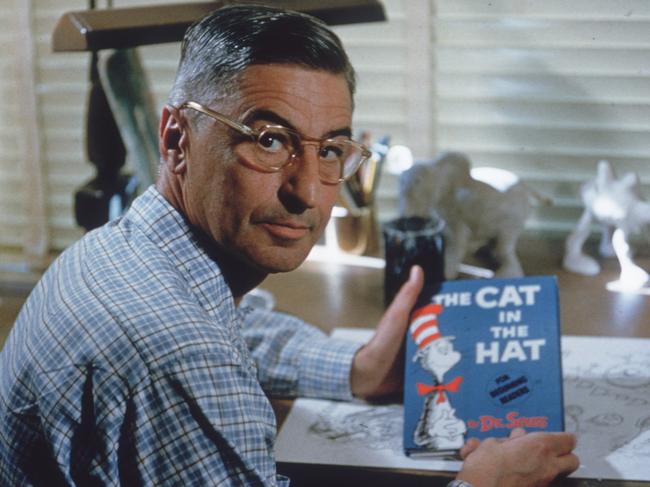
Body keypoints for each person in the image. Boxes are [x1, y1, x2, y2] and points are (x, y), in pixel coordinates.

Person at [0, 5, 579, 486]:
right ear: (177, 139)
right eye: (270, 140)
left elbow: (234, 327)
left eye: (330, 150)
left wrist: (358, 369)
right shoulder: (173, 354)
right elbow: (193, 352)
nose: (307, 192)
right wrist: (482, 484)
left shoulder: (129, 252)